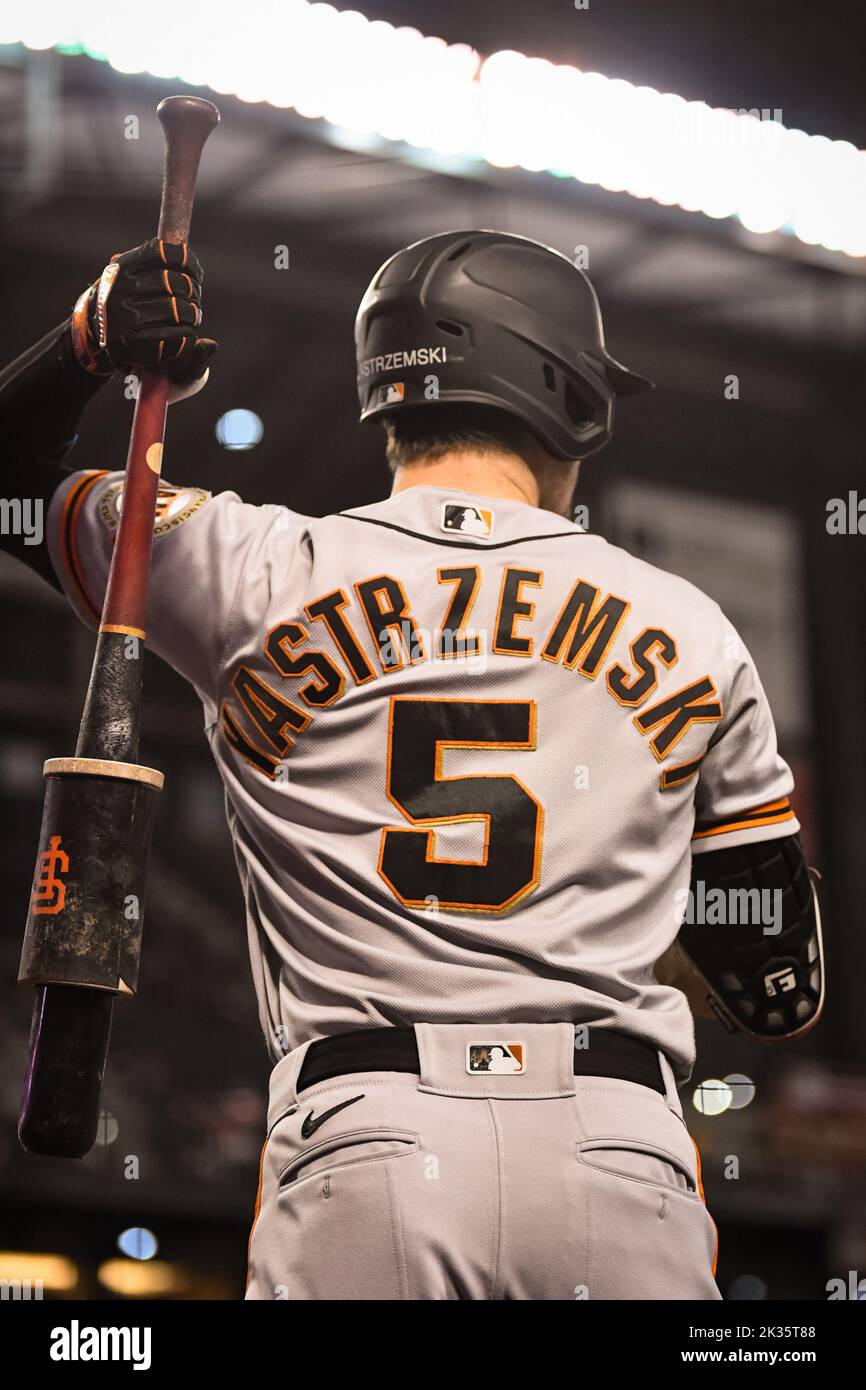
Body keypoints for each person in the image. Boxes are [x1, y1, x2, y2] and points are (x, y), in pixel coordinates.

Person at [1, 229, 823, 1301]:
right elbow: (774, 988)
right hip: (615, 1150)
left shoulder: (251, 566)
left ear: (382, 395)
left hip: (367, 1141)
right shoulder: (691, 625)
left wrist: (88, 340)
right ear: (575, 398)